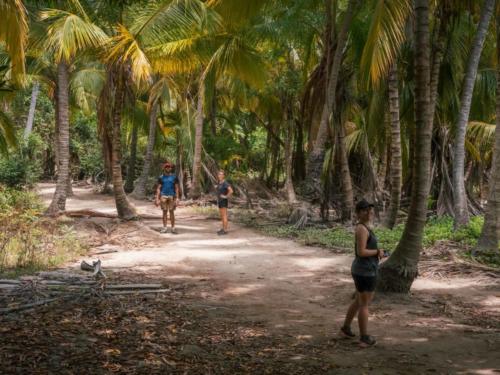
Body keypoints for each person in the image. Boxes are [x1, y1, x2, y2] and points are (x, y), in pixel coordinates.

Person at [340, 199, 384, 347]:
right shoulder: (362, 229)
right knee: (364, 304)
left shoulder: (365, 227)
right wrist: (378, 251)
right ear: (358, 213)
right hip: (365, 271)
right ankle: (364, 338)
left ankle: (345, 328)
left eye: (370, 209)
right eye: (365, 210)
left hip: (363, 269)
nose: (368, 212)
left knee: (359, 301)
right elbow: (361, 252)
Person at [155, 162, 180, 234]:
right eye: (166, 167)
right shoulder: (161, 177)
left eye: (169, 167)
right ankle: (165, 228)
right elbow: (158, 188)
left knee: (172, 212)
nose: (168, 168)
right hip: (163, 196)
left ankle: (173, 228)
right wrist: (157, 198)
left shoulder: (174, 177)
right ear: (164, 168)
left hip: (172, 196)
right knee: (164, 212)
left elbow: (176, 188)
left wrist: (177, 198)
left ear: (171, 168)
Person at [216, 170, 233, 235]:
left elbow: (231, 191)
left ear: (223, 176)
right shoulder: (220, 183)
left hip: (223, 201)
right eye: (219, 174)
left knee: (224, 216)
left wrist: (226, 196)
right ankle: (223, 229)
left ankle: (225, 230)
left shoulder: (225, 183)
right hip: (220, 201)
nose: (220, 175)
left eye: (221, 174)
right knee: (222, 216)